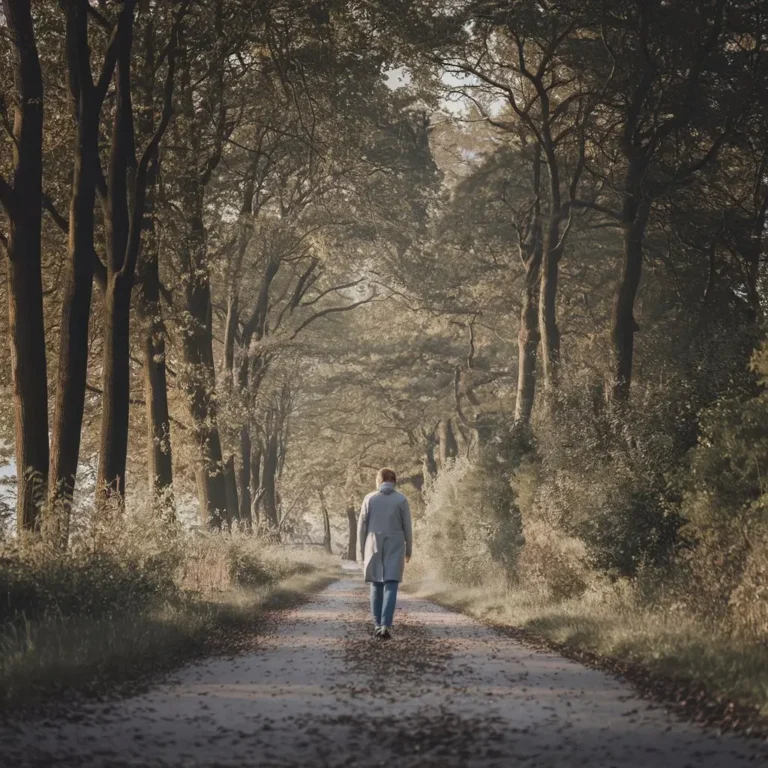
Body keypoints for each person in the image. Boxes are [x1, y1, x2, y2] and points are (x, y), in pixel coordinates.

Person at [357, 468, 413, 640]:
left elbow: (361, 527)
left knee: (376, 585)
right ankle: (385, 625)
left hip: (373, 544)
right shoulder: (401, 499)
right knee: (391, 585)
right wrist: (409, 550)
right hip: (395, 544)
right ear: (394, 481)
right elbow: (408, 528)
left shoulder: (369, 498)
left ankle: (376, 624)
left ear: (378, 481)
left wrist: (361, 550)